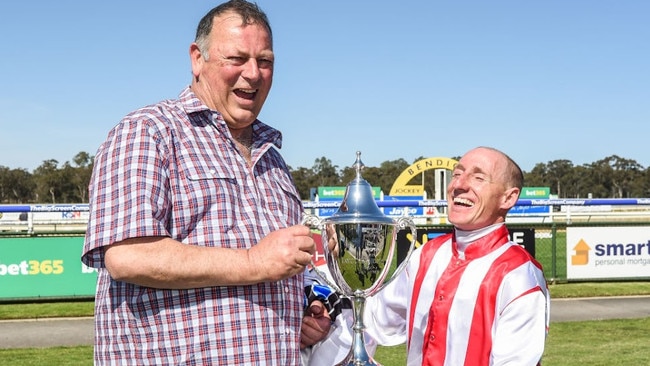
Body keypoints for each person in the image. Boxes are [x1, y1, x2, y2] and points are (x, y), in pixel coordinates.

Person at [81, 1, 331, 364]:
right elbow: (127, 254)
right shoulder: (148, 132)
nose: (253, 73)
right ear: (198, 58)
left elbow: (280, 267)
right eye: (237, 58)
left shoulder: (273, 160)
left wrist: (302, 313)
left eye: (265, 61)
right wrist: (252, 261)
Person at [331, 146, 550, 365]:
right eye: (456, 174)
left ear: (508, 198)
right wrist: (325, 308)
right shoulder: (425, 255)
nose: (459, 185)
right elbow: (376, 319)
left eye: (478, 177)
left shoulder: (520, 275)